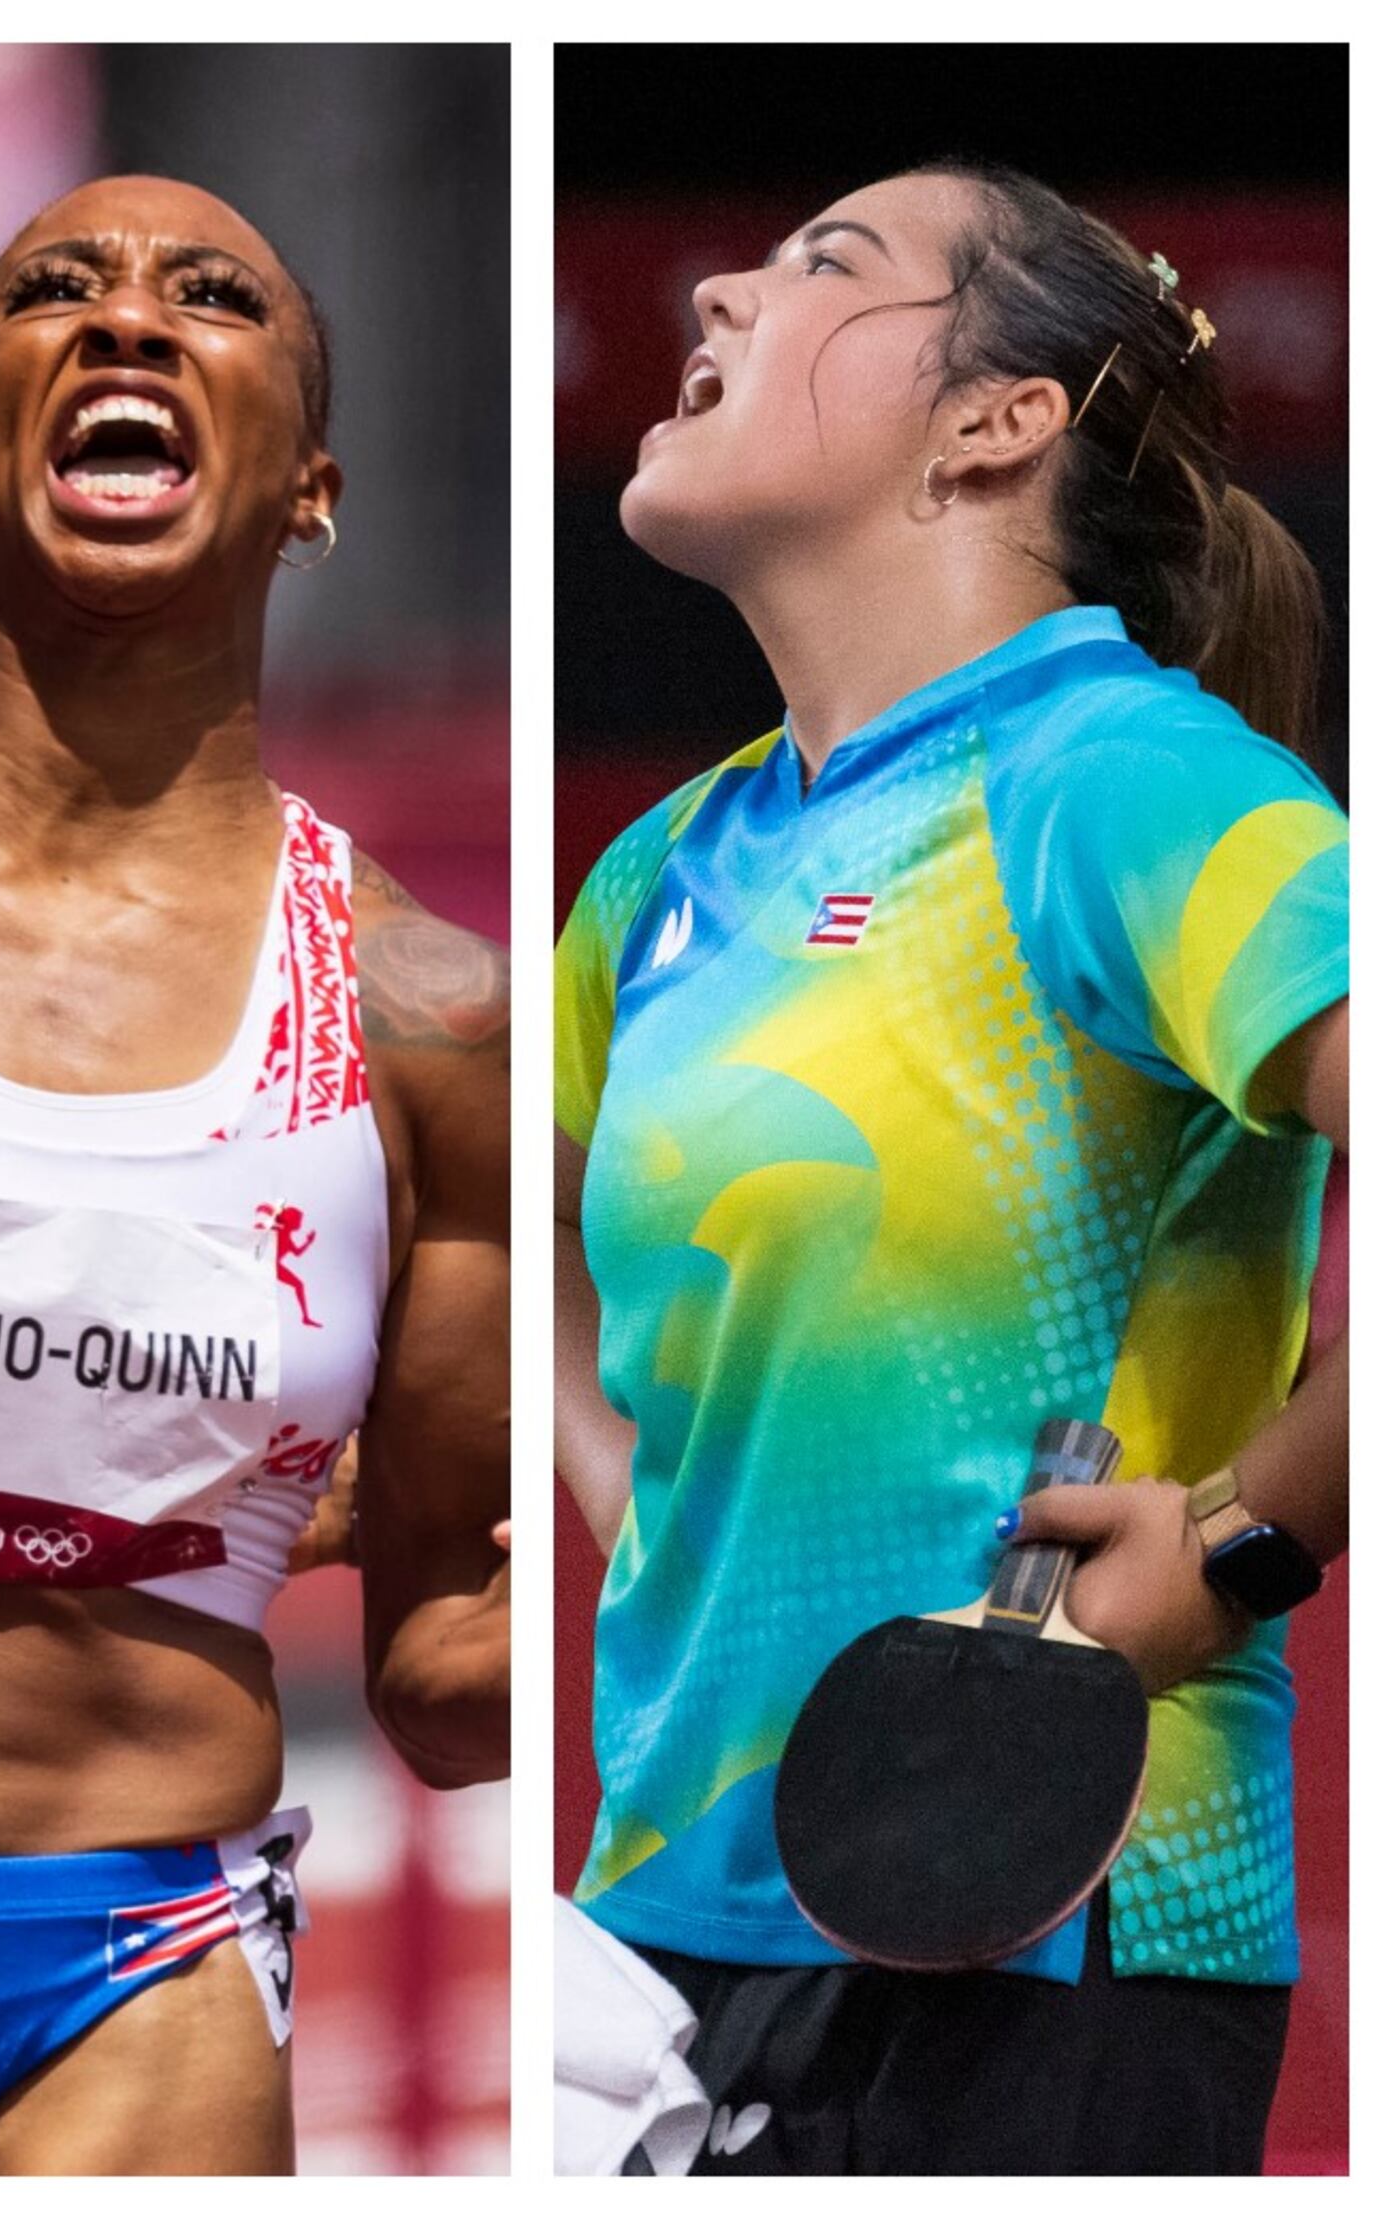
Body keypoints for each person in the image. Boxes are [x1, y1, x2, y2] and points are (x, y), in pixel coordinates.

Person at [555, 161, 1348, 2174]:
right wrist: (635, 1503)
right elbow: (533, 1254)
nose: (719, 279)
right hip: (660, 1936)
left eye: (826, 262)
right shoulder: (657, 870)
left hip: (1051, 1917)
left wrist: (1242, 1538)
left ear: (995, 422)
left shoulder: (1116, 781)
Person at [0, 173, 509, 2176]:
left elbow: (436, 1685)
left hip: (120, 1978)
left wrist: (674, 1558)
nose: (126, 320)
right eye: (50, 290)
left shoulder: (428, 1024)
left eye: (210, 297)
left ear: (309, 482)